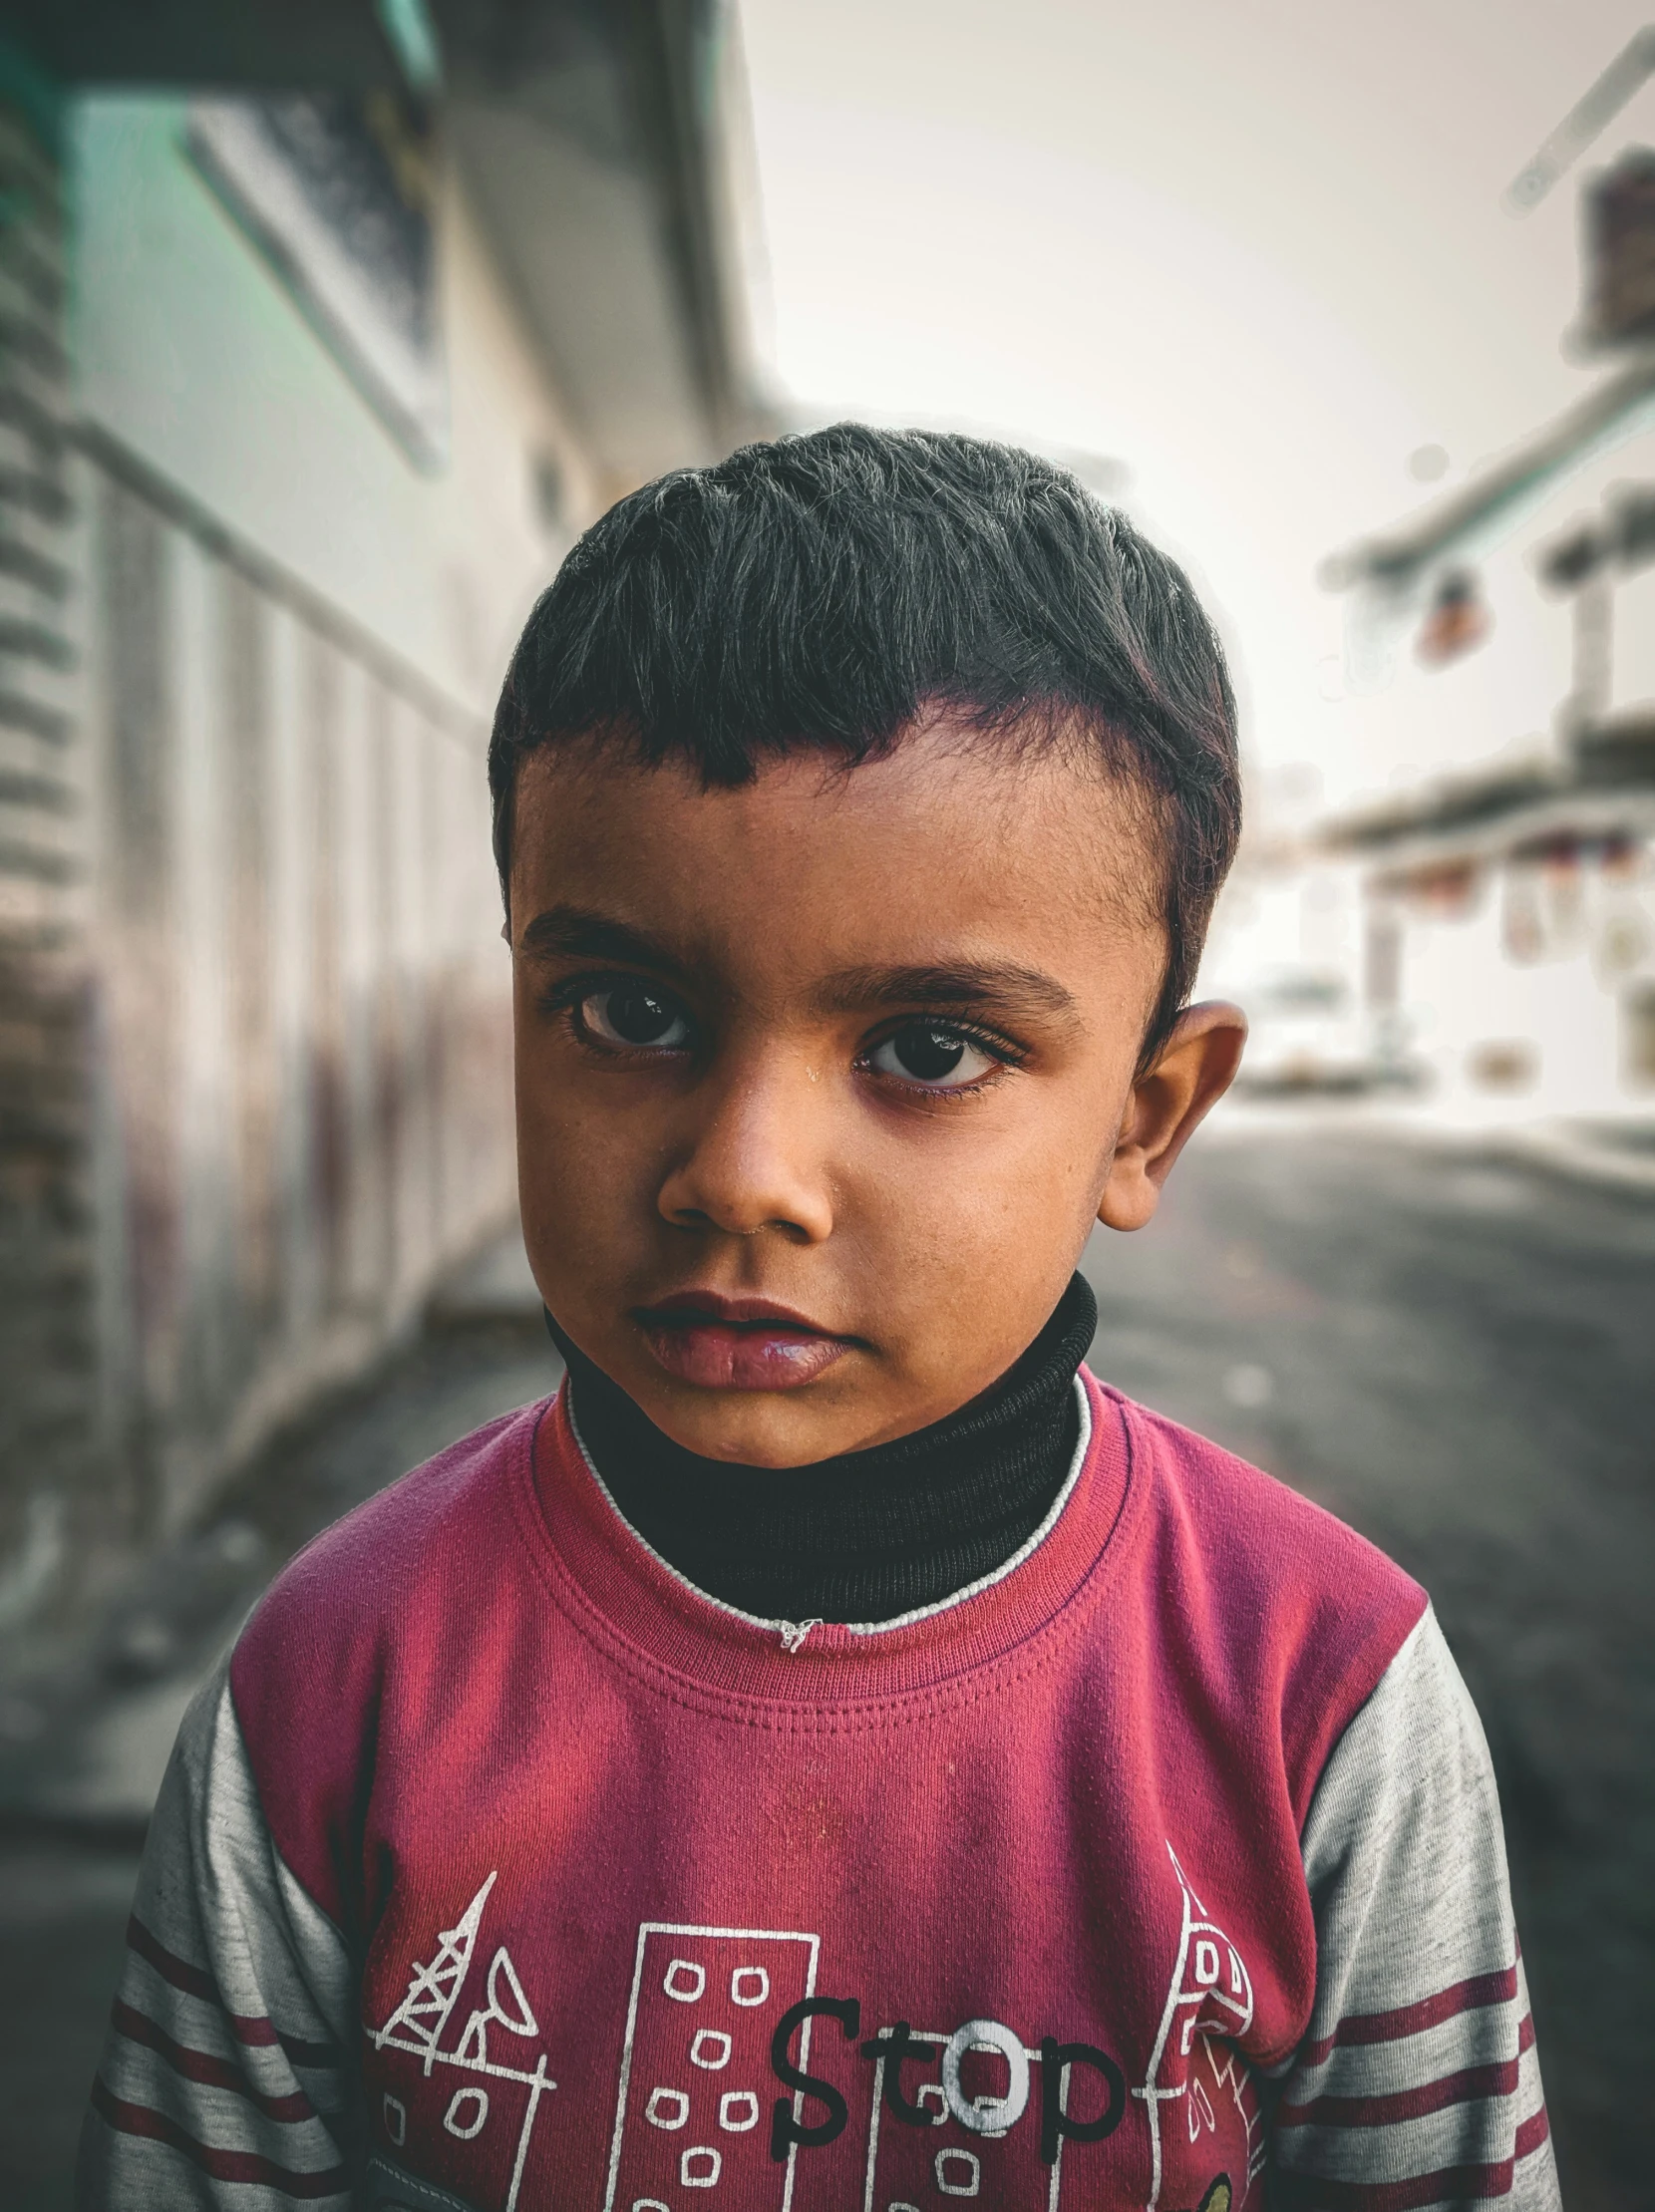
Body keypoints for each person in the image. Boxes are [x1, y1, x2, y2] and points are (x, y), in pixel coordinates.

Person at [79, 428, 1557, 2212]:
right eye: (629, 1010)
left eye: (929, 1049)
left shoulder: (1317, 1695)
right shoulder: (338, 1682)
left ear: (1146, 1117)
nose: (745, 1175)